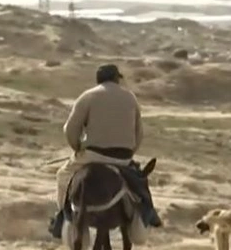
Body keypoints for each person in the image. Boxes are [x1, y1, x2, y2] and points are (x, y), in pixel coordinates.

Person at [48, 63, 161, 239]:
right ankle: (148, 213)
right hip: (123, 158)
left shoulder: (88, 96)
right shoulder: (130, 98)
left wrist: (77, 148)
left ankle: (63, 218)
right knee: (140, 180)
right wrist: (129, 152)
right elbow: (139, 133)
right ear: (117, 78)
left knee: (63, 175)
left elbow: (70, 129)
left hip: (94, 155)